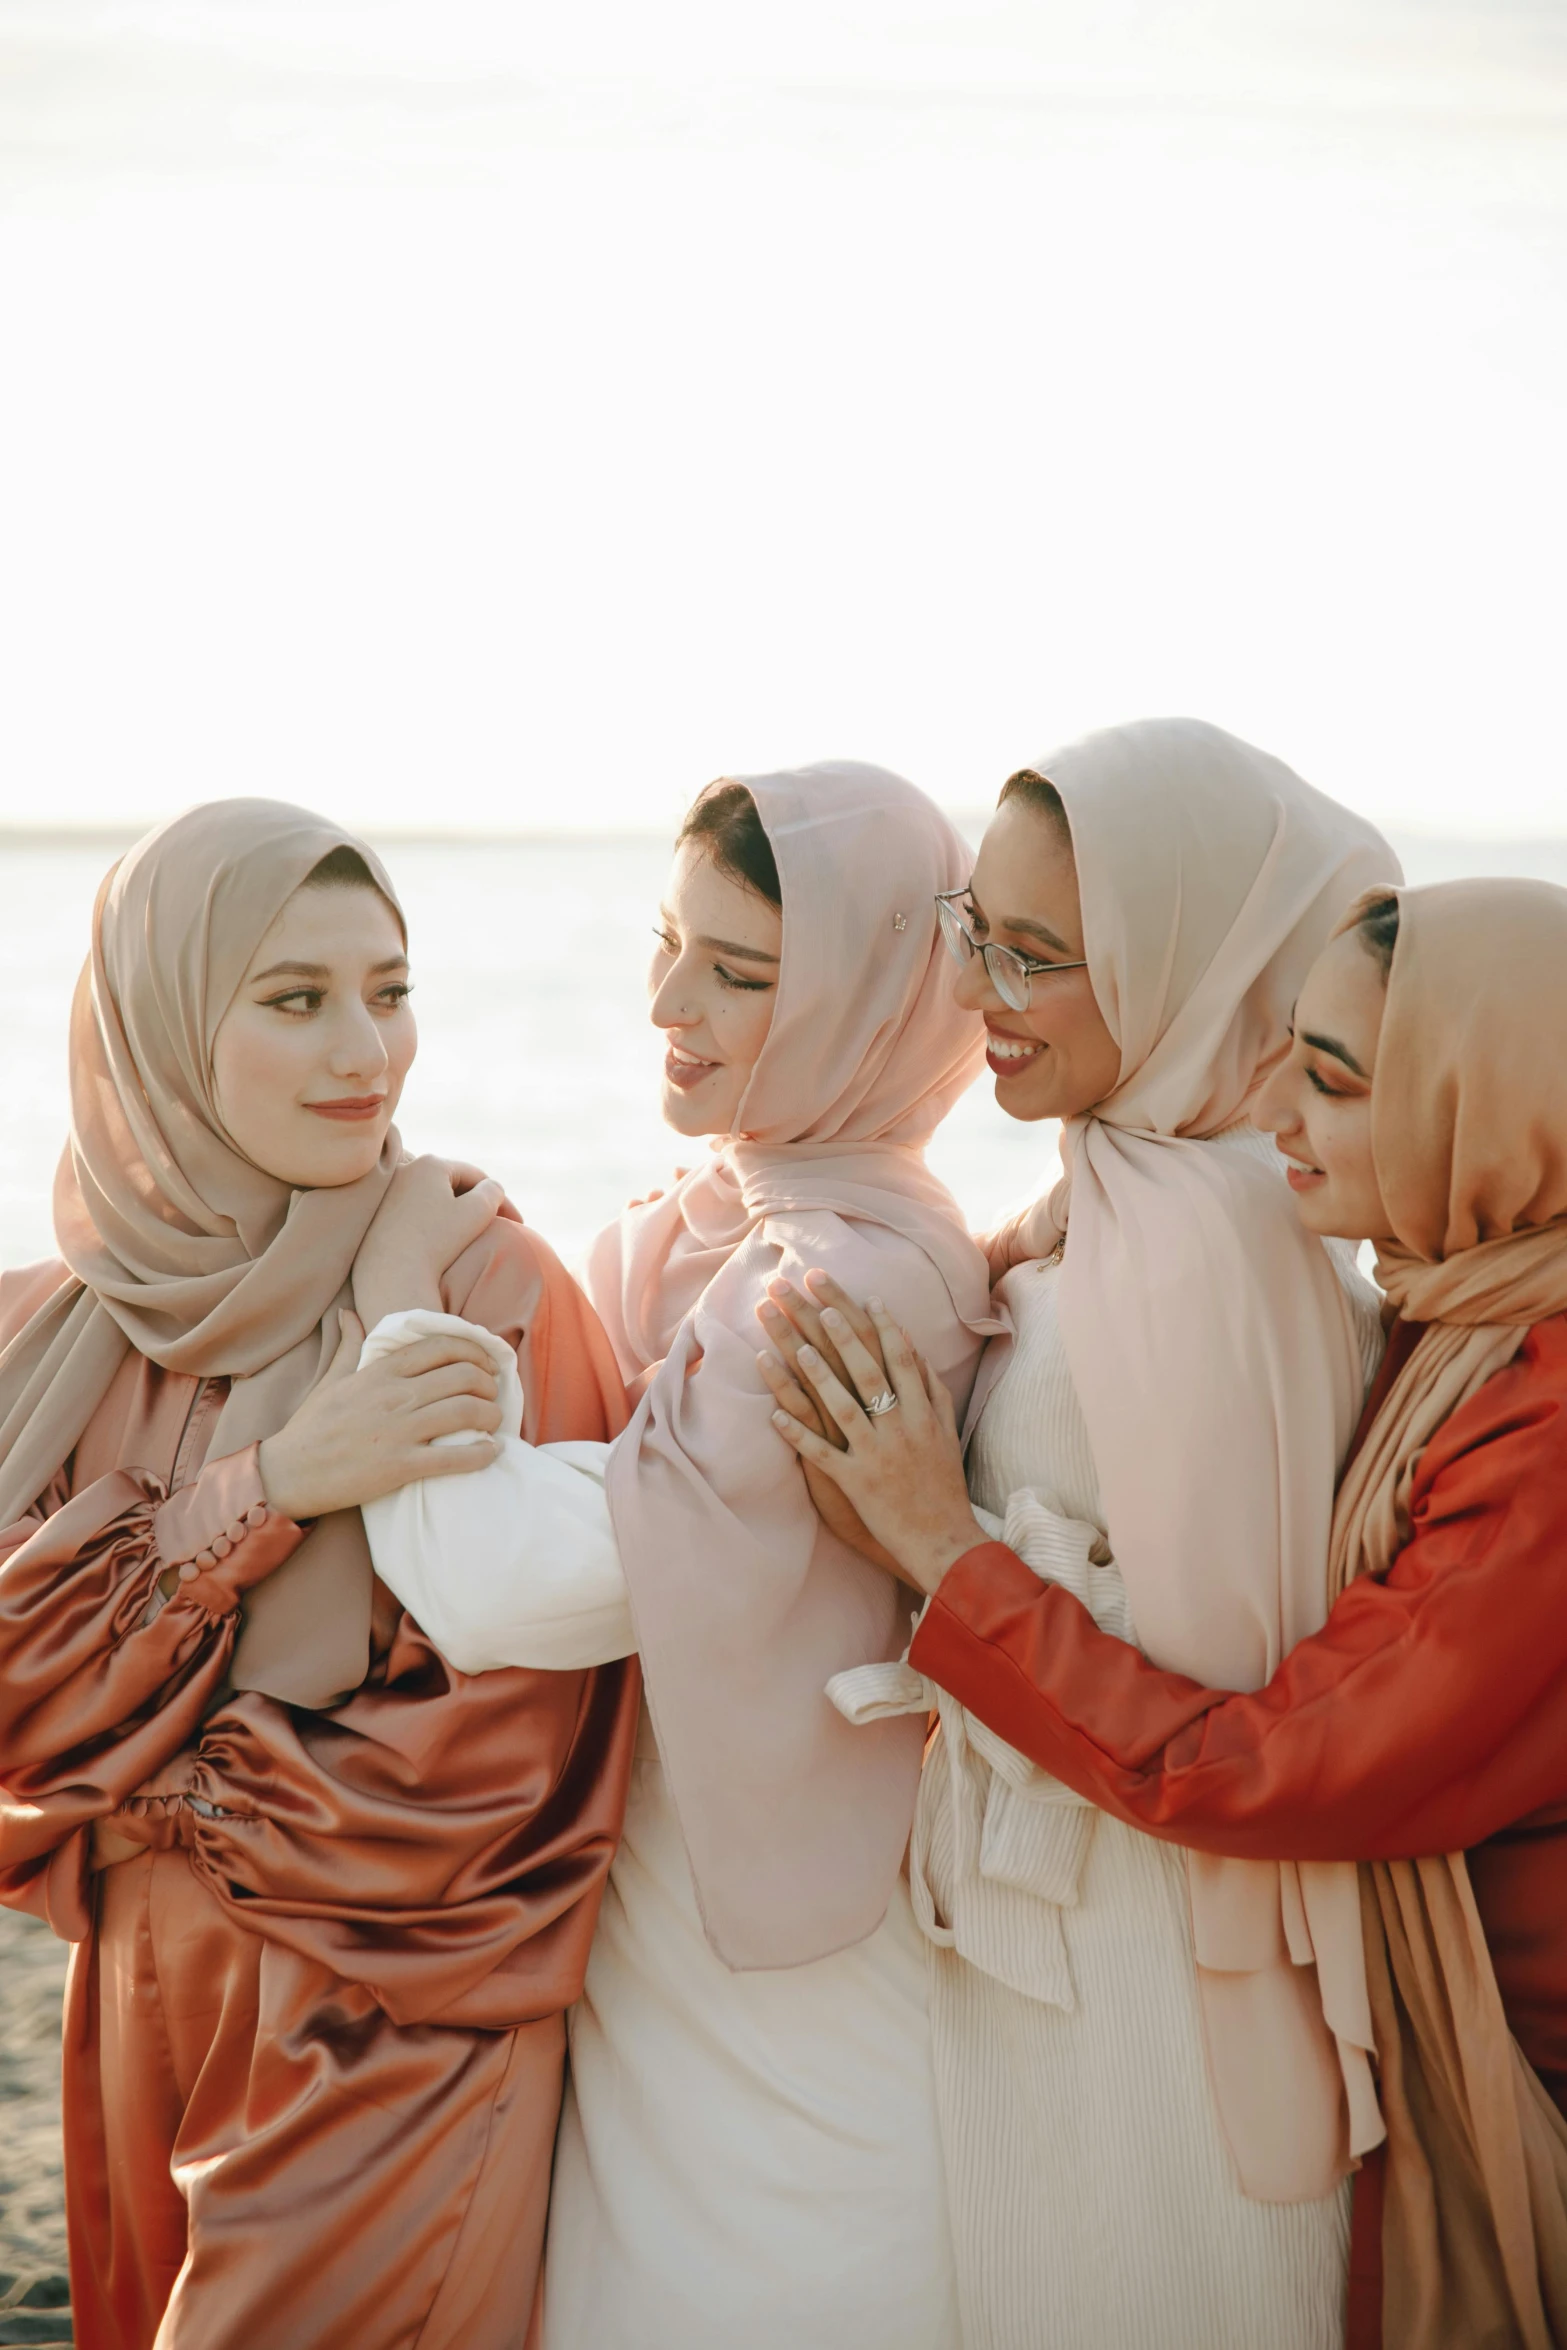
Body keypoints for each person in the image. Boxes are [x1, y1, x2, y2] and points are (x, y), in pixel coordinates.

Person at [769, 875, 1567, 2350]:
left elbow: (1271, 1762)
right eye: (1285, 1051)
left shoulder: (1544, 1416)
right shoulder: (1462, 1303)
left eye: (1330, 1080)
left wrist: (948, 1554)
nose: (1272, 1108)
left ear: (1483, 1106)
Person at [362, 764, 997, 2350]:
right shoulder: (720, 1209)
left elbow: (510, 1582)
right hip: (654, 1914)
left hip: (786, 1977)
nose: (666, 996)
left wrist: (391, 1320)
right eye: (667, 939)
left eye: (739, 969)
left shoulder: (849, 1278)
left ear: (865, 999)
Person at [0, 800, 639, 2350]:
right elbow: (16, 1702)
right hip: (138, 2004)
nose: (370, 1049)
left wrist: (155, 1762)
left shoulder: (480, 1282)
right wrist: (276, 1486)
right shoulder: (49, 1331)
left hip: (382, 2005)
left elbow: (519, 1737)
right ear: (156, 1025)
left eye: (391, 988)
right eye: (297, 998)